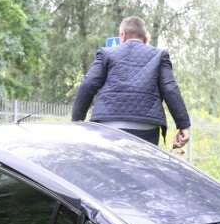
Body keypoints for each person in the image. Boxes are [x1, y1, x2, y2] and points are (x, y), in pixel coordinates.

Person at [72, 16, 191, 148]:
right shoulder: (159, 55)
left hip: (108, 126)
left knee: (108, 168)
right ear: (145, 39)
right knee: (141, 168)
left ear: (122, 36)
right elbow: (170, 88)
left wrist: (77, 121)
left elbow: (88, 84)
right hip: (146, 127)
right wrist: (183, 124)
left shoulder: (106, 53)